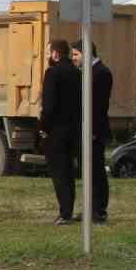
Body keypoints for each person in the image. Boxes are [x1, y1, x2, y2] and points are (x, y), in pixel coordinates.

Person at [40, 38, 83, 225]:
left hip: (56, 130)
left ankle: (65, 213)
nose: (48, 56)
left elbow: (48, 105)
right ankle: (69, 210)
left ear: (55, 53)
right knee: (69, 173)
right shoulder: (77, 72)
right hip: (73, 129)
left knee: (58, 173)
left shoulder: (52, 73)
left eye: (49, 52)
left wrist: (43, 127)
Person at [90, 46, 114, 223]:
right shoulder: (92, 71)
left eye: (76, 54)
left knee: (97, 170)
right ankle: (93, 208)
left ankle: (99, 210)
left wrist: (92, 130)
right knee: (91, 170)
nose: (74, 58)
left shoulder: (100, 73)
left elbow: (98, 106)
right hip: (93, 128)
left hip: (96, 129)